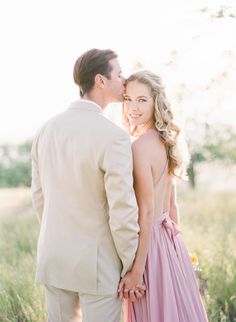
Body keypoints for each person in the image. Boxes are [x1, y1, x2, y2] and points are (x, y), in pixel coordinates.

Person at [31, 48, 142, 322]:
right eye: (118, 73)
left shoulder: (45, 130)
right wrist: (131, 263)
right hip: (97, 265)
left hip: (53, 256)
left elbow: (39, 197)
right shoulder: (114, 137)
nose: (124, 79)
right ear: (100, 81)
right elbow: (122, 209)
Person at [118, 70, 209, 322]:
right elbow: (172, 206)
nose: (132, 107)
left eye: (142, 100)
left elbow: (146, 213)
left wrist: (137, 271)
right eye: (128, 99)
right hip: (171, 242)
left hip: (150, 245)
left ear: (156, 101)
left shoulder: (138, 147)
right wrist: (177, 254)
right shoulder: (167, 142)